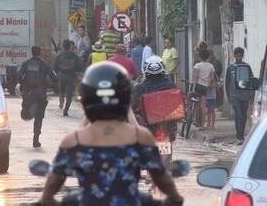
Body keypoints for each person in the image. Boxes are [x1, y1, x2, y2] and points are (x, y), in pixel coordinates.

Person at [39, 62, 183, 205]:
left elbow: (53, 181)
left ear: (86, 98)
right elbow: (161, 177)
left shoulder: (73, 140)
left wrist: (46, 199)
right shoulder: (141, 137)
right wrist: (174, 197)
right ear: (125, 96)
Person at [18, 46, 58, 148]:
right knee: (39, 117)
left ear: (32, 53)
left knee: (27, 107)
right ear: (40, 53)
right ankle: (36, 139)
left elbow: (18, 76)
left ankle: (25, 108)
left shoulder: (26, 63)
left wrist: (24, 85)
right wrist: (52, 85)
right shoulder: (44, 64)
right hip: (40, 93)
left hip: (28, 93)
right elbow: (54, 77)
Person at [132, 56, 176, 125]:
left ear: (146, 69)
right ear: (162, 68)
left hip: (148, 124)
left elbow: (133, 105)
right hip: (168, 122)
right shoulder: (171, 85)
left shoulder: (140, 88)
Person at [225, 47, 254, 145]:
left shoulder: (247, 67)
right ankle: (239, 136)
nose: (238, 57)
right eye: (236, 55)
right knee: (238, 115)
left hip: (245, 95)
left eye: (240, 55)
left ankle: (241, 135)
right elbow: (227, 83)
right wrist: (229, 97)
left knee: (244, 116)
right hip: (234, 96)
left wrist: (251, 96)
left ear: (242, 56)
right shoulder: (230, 68)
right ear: (234, 55)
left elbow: (251, 81)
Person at [54, 39, 82, 116]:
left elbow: (55, 67)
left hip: (61, 76)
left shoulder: (59, 55)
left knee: (61, 91)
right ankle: (66, 110)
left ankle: (61, 100)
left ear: (63, 46)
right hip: (71, 76)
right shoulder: (74, 56)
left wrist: (57, 74)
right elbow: (80, 67)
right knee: (69, 95)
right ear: (70, 46)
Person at [192, 49, 216, 131]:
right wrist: (208, 84)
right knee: (203, 106)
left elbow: (195, 77)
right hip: (205, 87)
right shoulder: (211, 66)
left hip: (198, 86)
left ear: (200, 57)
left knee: (196, 104)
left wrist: (193, 88)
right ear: (208, 56)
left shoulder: (197, 65)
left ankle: (196, 120)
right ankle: (202, 125)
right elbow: (212, 78)